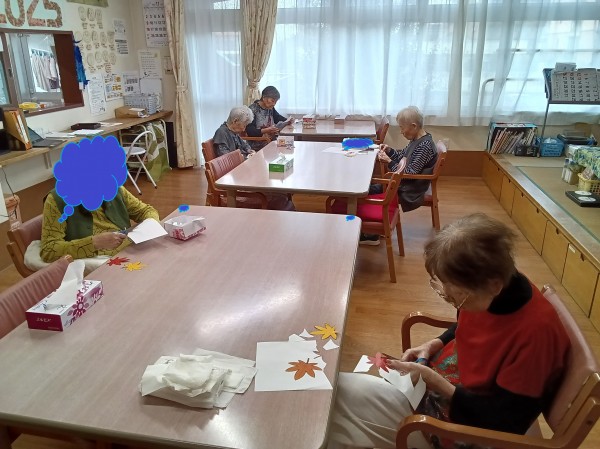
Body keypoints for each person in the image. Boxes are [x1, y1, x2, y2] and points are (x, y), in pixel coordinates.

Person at [327, 213, 570, 449]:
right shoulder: (502, 287)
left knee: (333, 405)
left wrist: (436, 382)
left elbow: (503, 423)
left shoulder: (536, 337)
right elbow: (469, 322)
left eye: (457, 298)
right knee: (340, 394)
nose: (454, 303)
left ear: (493, 285)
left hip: (467, 426)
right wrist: (435, 343)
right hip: (451, 386)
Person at [361, 106, 438, 246]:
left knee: (365, 191)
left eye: (402, 128)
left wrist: (389, 162)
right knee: (369, 187)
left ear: (414, 126)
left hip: (410, 188)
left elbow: (409, 173)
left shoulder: (425, 146)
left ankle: (371, 233)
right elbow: (402, 156)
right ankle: (374, 228)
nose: (401, 132)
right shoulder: (418, 139)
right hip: (402, 183)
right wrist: (389, 151)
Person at [40, 186, 160, 263]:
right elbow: (48, 250)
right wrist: (94, 243)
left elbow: (146, 211)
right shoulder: (56, 200)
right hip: (102, 263)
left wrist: (150, 226)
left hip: (131, 252)